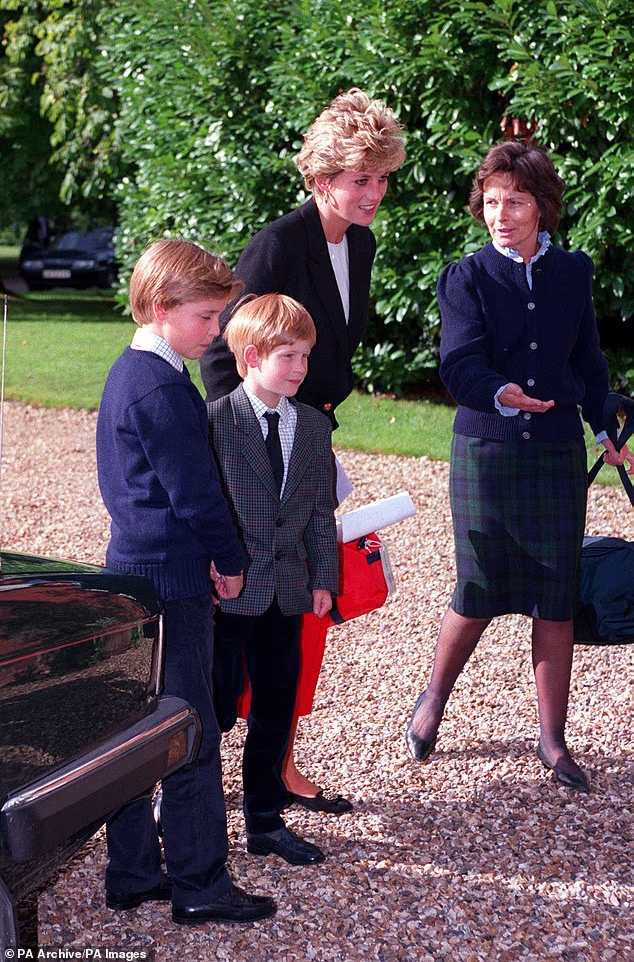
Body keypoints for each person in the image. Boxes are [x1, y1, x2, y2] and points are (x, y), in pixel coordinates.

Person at [406, 140, 633, 792]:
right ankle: (433, 698)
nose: (501, 215)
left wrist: (604, 429)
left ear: (542, 208)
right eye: (492, 202)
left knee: (555, 596)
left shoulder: (573, 272)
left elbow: (588, 364)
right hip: (487, 452)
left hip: (555, 453)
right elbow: (459, 363)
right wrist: (500, 393)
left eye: (516, 202)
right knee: (478, 588)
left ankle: (552, 741)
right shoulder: (466, 277)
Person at [201, 87, 405, 811]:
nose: (374, 192)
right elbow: (222, 357)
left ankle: (277, 765)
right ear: (320, 178)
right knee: (241, 622)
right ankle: (197, 776)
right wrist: (252, 446)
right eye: (361, 178)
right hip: (260, 451)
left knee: (306, 609)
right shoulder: (279, 245)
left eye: (382, 178)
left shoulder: (362, 243)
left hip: (311, 441)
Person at [96, 239, 276, 925]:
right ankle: (200, 884)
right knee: (188, 730)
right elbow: (196, 495)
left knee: (139, 731)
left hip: (134, 570)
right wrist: (230, 559)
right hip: (170, 581)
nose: (217, 331)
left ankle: (134, 871)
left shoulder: (133, 370)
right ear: (161, 308)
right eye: (205, 317)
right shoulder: (163, 388)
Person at [208, 293, 339, 866]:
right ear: (251, 357)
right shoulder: (215, 421)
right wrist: (214, 567)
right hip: (228, 595)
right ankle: (183, 807)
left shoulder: (311, 425)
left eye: (306, 356)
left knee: (275, 707)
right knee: (214, 705)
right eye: (288, 356)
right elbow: (204, 505)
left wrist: (323, 577)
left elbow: (319, 511)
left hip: (285, 594)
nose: (300, 368)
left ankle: (264, 819)